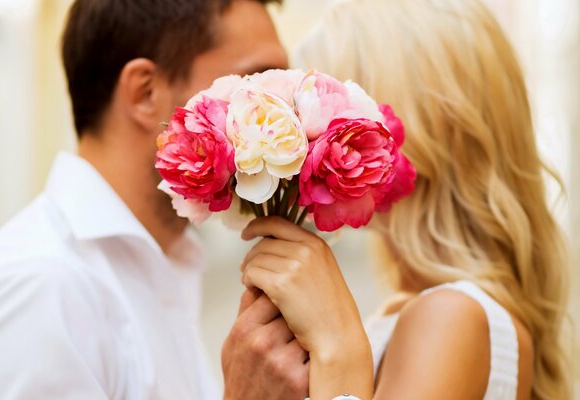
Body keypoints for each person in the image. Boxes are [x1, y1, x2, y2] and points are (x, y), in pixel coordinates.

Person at [240, 0, 571, 399]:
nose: (299, 147)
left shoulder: (450, 316)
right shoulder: (414, 311)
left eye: (316, 121)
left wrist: (339, 350)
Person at [0, 1, 310, 399]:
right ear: (145, 92)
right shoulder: (41, 287)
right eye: (254, 84)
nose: (285, 118)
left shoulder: (163, 261)